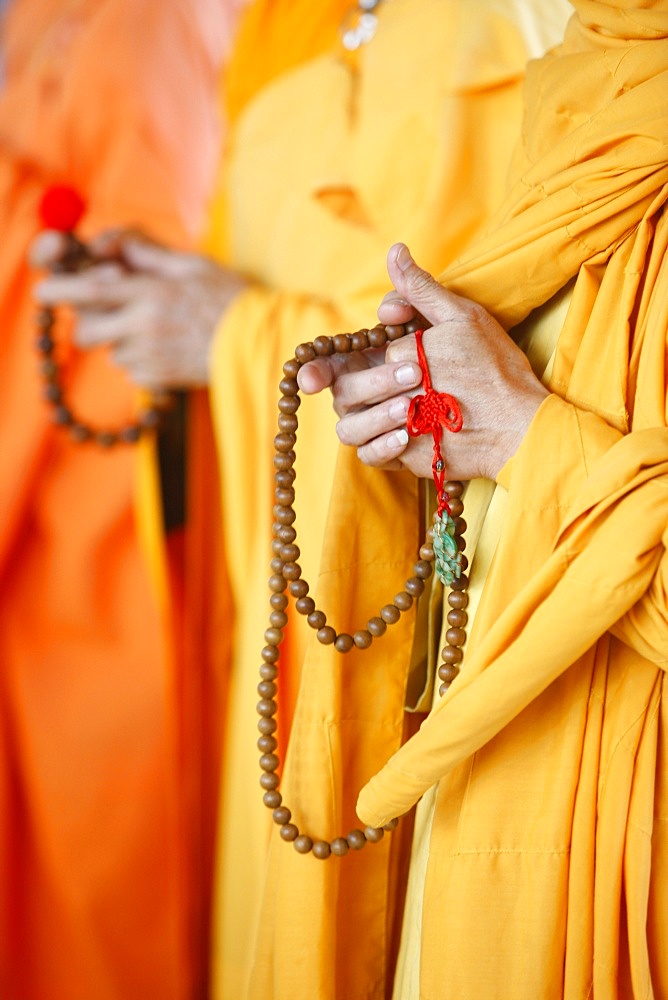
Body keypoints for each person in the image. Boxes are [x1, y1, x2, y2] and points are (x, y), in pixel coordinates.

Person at [31, 0, 571, 994]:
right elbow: (241, 282)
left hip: (490, 613)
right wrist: (173, 315)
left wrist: (238, 333)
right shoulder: (272, 28)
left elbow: (542, 342)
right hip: (278, 613)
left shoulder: (553, 23)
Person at [251, 0, 668, 997]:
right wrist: (424, 409)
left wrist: (525, 436)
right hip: (479, 830)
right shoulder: (594, 67)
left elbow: (536, 439)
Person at [0, 1, 243, 996]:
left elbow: (160, 257)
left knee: (113, 819)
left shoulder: (164, 20)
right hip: (41, 478)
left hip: (119, 478)